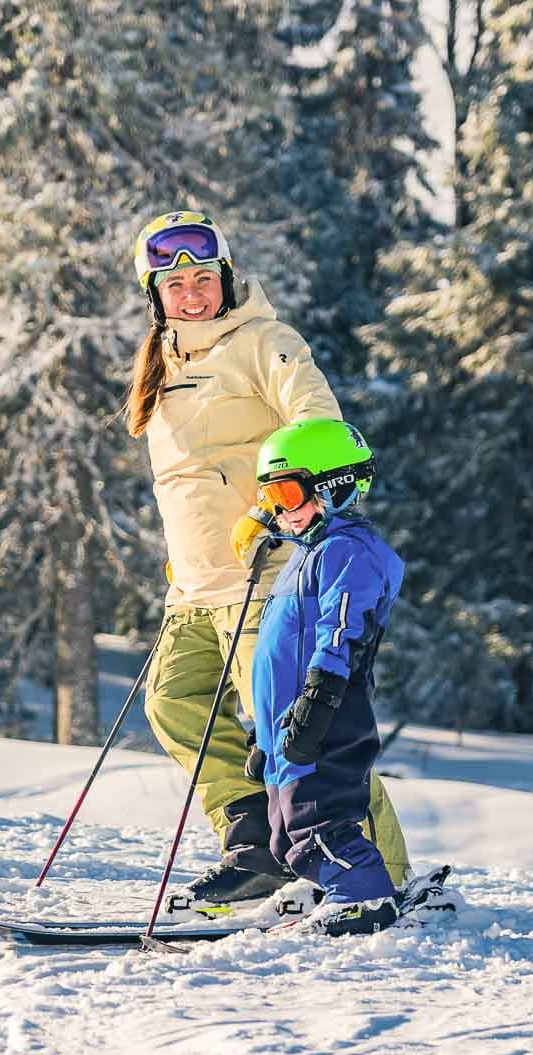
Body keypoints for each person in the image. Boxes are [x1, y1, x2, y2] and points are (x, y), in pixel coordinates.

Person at [125, 209, 409, 914]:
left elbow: (319, 427)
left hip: (266, 576)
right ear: (154, 294)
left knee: (308, 731)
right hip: (193, 589)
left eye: (201, 279)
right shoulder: (163, 359)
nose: (190, 295)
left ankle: (388, 882)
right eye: (174, 284)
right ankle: (254, 844)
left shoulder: (264, 343)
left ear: (224, 279)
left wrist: (272, 513)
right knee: (174, 703)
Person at [247, 418, 419, 935]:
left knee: (316, 819)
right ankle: (330, 887)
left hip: (327, 711)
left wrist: (318, 703)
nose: (279, 508)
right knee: (283, 833)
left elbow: (340, 631)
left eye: (288, 491)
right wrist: (265, 731)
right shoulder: (304, 555)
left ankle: (361, 895)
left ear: (334, 487)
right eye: (270, 495)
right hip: (288, 719)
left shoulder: (349, 552)